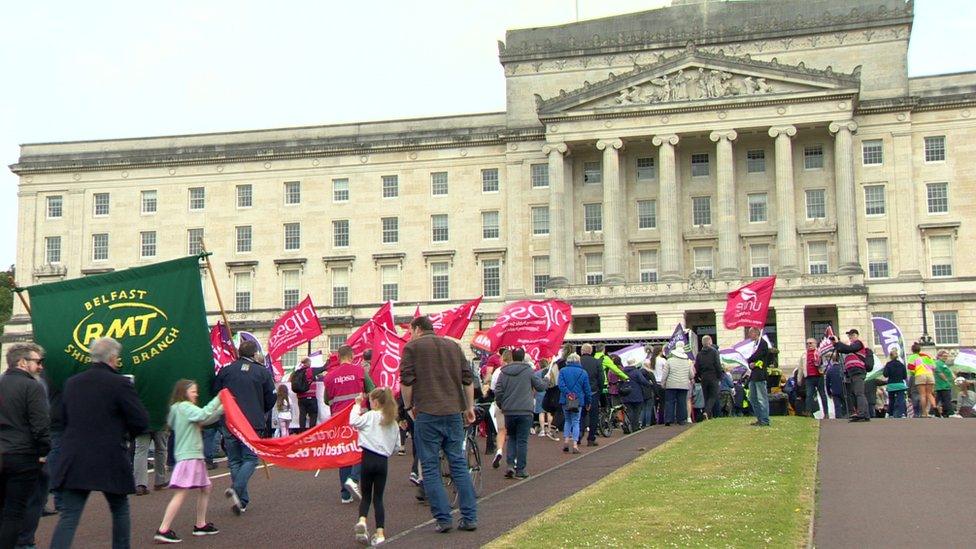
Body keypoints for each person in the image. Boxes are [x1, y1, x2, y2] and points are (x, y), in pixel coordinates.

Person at [50, 337, 149, 549]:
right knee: (120, 509)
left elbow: (63, 418)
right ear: (113, 358)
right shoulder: (120, 383)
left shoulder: (72, 383)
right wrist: (126, 434)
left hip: (75, 455)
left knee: (69, 515)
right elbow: (140, 421)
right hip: (110, 454)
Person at [400, 316, 478, 533]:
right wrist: (469, 407)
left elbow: (406, 382)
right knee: (458, 464)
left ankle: (443, 519)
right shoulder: (453, 346)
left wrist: (408, 407)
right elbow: (468, 380)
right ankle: (469, 516)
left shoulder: (412, 348)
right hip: (453, 411)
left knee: (431, 466)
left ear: (417, 329)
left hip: (427, 411)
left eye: (410, 330)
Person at [154, 379, 224, 544]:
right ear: (184, 392)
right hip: (190, 455)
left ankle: (201, 524)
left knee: (206, 487)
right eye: (193, 391)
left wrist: (221, 409)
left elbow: (203, 418)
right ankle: (163, 529)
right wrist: (219, 399)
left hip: (190, 455)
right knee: (181, 493)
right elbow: (203, 415)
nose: (196, 394)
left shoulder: (177, 409)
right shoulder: (185, 407)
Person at [213, 339, 275, 515]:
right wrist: (259, 409)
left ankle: (241, 500)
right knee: (250, 459)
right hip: (251, 421)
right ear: (254, 354)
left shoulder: (225, 371)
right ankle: (237, 488)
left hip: (230, 420)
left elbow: (216, 392)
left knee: (234, 460)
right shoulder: (262, 372)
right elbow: (270, 398)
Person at [0, 343, 50, 549]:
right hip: (22, 455)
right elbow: (40, 425)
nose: (40, 367)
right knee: (15, 512)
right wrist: (43, 451)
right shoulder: (32, 386)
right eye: (37, 362)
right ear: (22, 362)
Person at [350, 388, 400, 547]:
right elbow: (396, 447)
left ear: (376, 402)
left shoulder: (370, 416)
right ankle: (380, 534)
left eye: (370, 401)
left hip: (367, 458)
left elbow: (353, 422)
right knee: (378, 498)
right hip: (382, 461)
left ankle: (363, 521)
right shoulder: (392, 421)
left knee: (366, 496)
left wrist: (356, 405)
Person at [324, 345, 374, 504]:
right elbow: (373, 390)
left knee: (344, 452)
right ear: (352, 356)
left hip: (339, 418)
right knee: (362, 450)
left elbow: (327, 400)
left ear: (338, 357)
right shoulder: (360, 371)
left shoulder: (330, 376)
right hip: (359, 415)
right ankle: (354, 479)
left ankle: (345, 494)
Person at [494, 348, 550, 479]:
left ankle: (509, 465)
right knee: (522, 440)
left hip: (509, 410)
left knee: (512, 437)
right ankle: (521, 469)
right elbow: (540, 387)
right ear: (523, 357)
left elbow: (498, 391)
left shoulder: (503, 372)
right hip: (525, 410)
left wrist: (502, 405)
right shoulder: (528, 371)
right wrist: (546, 380)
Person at [831, 329, 870, 422]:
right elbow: (843, 350)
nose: (850, 337)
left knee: (859, 393)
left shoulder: (858, 344)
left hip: (858, 370)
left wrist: (838, 343)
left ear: (856, 335)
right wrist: (837, 344)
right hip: (852, 372)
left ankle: (861, 413)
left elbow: (849, 349)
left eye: (852, 335)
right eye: (849, 336)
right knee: (855, 393)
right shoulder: (851, 346)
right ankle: (865, 414)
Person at [557, 353, 591, 454]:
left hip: (565, 399)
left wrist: (568, 393)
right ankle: (575, 444)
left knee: (567, 420)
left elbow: (561, 385)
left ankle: (566, 441)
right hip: (578, 400)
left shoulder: (562, 371)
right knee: (576, 421)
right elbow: (587, 389)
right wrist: (588, 401)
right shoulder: (583, 372)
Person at [577, 344, 604, 447]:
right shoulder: (596, 362)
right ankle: (591, 438)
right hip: (593, 392)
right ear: (591, 351)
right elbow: (601, 378)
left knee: (580, 415)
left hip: (580, 392)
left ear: (582, 351)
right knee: (593, 416)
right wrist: (600, 390)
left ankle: (578, 436)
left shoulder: (577, 362)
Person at [291, 357, 326, 430]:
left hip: (301, 398)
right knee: (313, 415)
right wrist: (329, 359)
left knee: (302, 415)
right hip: (311, 398)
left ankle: (302, 433)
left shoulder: (296, 372)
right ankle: (310, 433)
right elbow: (323, 368)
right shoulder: (310, 370)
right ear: (308, 363)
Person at [745, 327, 771, 426]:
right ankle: (759, 418)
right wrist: (750, 363)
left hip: (760, 375)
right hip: (753, 375)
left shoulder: (763, 343)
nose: (749, 335)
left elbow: (758, 356)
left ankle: (764, 420)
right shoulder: (755, 344)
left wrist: (750, 360)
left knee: (762, 398)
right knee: (752, 398)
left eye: (750, 333)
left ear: (755, 333)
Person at [662, 347, 693, 425]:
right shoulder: (687, 362)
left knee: (669, 402)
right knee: (682, 402)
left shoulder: (669, 361)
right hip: (683, 385)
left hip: (671, 384)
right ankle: (682, 420)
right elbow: (691, 375)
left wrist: (663, 383)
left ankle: (669, 419)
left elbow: (665, 374)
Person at [693, 335, 723, 420]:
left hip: (704, 377)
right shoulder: (714, 352)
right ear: (710, 342)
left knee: (706, 397)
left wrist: (698, 377)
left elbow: (696, 367)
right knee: (713, 396)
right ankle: (706, 412)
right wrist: (720, 376)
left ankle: (708, 416)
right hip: (713, 376)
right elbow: (717, 365)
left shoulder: (699, 354)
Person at [798, 338, 828, 419]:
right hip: (809, 377)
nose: (809, 345)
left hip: (819, 376)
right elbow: (800, 367)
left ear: (815, 343)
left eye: (811, 343)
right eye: (807, 343)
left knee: (822, 395)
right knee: (809, 395)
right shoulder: (804, 354)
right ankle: (808, 412)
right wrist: (799, 379)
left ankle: (826, 413)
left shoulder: (819, 353)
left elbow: (825, 363)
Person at [133, 427, 169, 495]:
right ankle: (160, 481)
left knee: (140, 452)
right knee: (161, 450)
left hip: (142, 423)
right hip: (159, 421)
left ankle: (140, 485)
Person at [906, 343, 936, 418]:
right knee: (929, 394)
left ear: (912, 350)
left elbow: (910, 368)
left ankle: (924, 413)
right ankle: (935, 406)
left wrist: (914, 373)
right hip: (930, 374)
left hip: (920, 375)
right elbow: (934, 366)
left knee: (922, 395)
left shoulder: (913, 357)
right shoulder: (927, 356)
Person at [621, 358, 651, 430]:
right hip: (636, 393)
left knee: (629, 411)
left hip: (626, 393)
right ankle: (635, 426)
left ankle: (630, 425)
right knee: (637, 411)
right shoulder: (636, 372)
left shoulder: (623, 372)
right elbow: (643, 381)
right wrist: (649, 384)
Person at [882, 349, 908, 418]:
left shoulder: (888, 364)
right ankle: (902, 413)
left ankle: (890, 414)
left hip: (891, 385)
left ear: (890, 356)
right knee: (901, 400)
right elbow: (905, 376)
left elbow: (885, 375)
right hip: (900, 384)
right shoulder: (901, 364)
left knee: (891, 399)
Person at [934, 350, 954, 417]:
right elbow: (939, 373)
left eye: (946, 356)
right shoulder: (938, 363)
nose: (946, 357)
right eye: (944, 356)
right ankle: (949, 413)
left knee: (943, 400)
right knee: (946, 400)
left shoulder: (944, 363)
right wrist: (947, 380)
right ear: (939, 356)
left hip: (945, 385)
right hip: (942, 385)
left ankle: (944, 413)